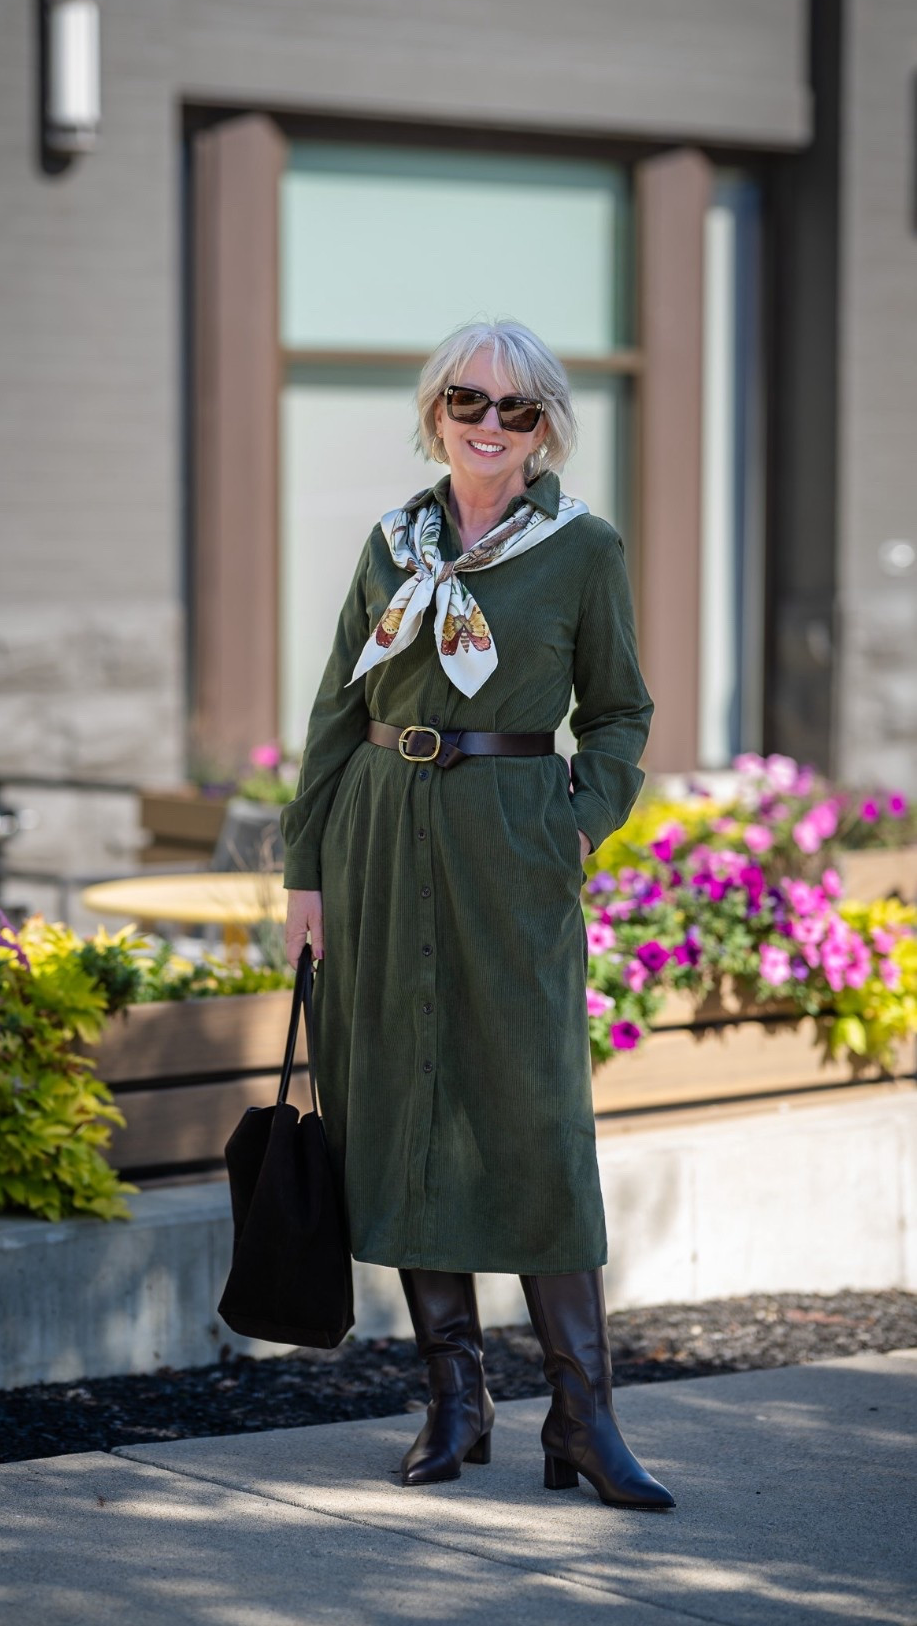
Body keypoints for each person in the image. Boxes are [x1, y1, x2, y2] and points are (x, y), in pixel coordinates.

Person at [281, 318, 674, 1510]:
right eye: (468, 400)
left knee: (534, 1111)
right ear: (436, 410)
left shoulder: (581, 547)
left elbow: (618, 710)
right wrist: (304, 872)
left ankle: (583, 1415)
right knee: (404, 1101)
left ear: (544, 425)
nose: (488, 424)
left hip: (509, 846)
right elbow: (335, 709)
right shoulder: (390, 543)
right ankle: (454, 1398)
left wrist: (571, 822)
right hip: (377, 835)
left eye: (514, 408)